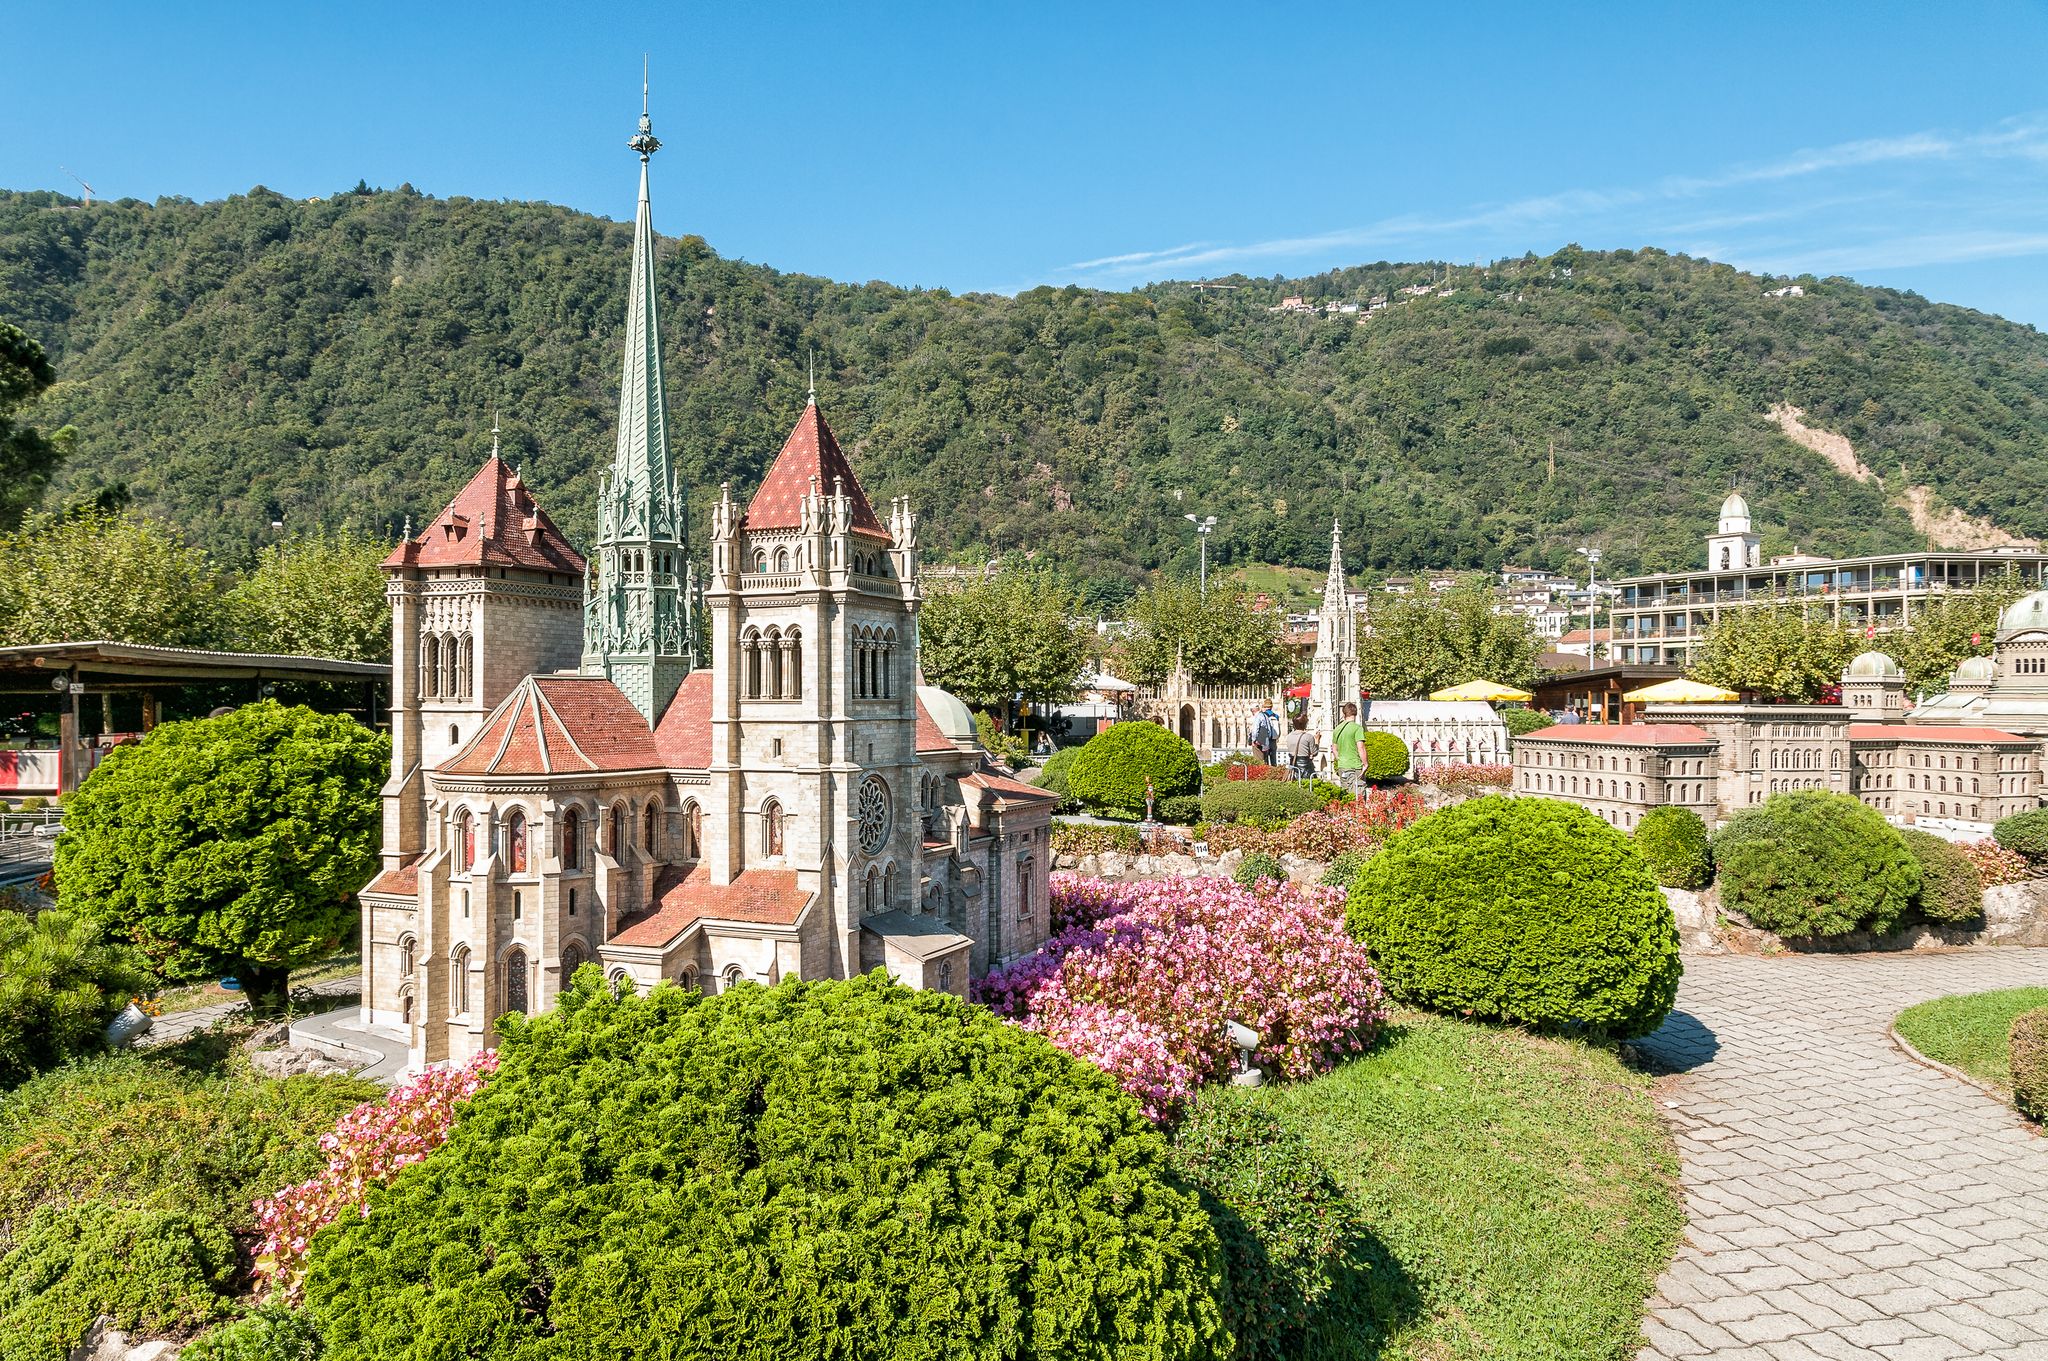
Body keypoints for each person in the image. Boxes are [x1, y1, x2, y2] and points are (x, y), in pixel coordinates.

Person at [1331, 701, 1368, 795]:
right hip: (1354, 766)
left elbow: (1334, 749)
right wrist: (1365, 764)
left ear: (1344, 714)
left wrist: (1340, 759)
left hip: (1342, 766)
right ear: (1356, 713)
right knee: (1358, 796)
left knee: (1346, 794)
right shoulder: (1357, 728)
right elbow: (1361, 747)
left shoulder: (1337, 729)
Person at [1281, 713, 1319, 781]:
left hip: (1293, 768)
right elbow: (1314, 752)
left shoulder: (1289, 736)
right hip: (1306, 768)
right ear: (1305, 724)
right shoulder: (1308, 737)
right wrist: (1317, 740)